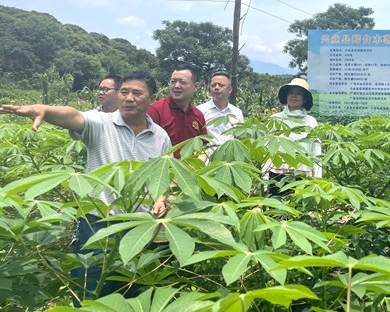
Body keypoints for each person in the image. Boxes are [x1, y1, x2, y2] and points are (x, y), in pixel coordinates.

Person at [0, 71, 172, 305]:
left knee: (130, 295)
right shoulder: (101, 123)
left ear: (152, 98)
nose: (129, 98)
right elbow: (74, 116)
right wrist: (45, 110)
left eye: (136, 93)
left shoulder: (160, 136)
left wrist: (161, 199)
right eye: (124, 92)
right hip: (97, 222)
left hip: (139, 226)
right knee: (88, 292)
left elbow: (162, 178)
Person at [264, 78, 322, 194]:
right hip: (277, 174)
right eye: (291, 93)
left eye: (298, 93)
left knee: (299, 210)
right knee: (276, 210)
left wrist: (318, 179)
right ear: (286, 96)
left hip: (303, 174)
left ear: (305, 98)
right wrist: (265, 178)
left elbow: (316, 151)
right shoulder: (275, 119)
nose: (294, 96)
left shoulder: (311, 121)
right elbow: (267, 149)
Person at [147, 63, 207, 153]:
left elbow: (203, 146)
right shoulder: (155, 110)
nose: (176, 86)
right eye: (173, 81)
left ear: (196, 86)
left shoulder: (198, 115)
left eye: (182, 82)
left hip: (192, 166)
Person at [198, 72, 244, 148]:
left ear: (229, 89)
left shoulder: (237, 112)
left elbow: (239, 139)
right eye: (213, 85)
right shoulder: (200, 111)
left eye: (221, 85)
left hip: (229, 157)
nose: (216, 87)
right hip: (206, 157)